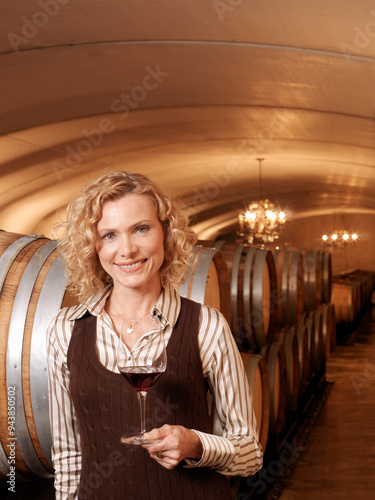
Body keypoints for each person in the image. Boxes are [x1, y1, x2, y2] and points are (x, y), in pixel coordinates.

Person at [46, 170, 263, 500]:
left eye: (141, 229)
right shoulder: (65, 329)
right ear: (93, 247)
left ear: (166, 234)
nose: (127, 250)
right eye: (109, 235)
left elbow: (249, 454)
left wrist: (196, 444)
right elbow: (69, 456)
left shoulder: (207, 325)